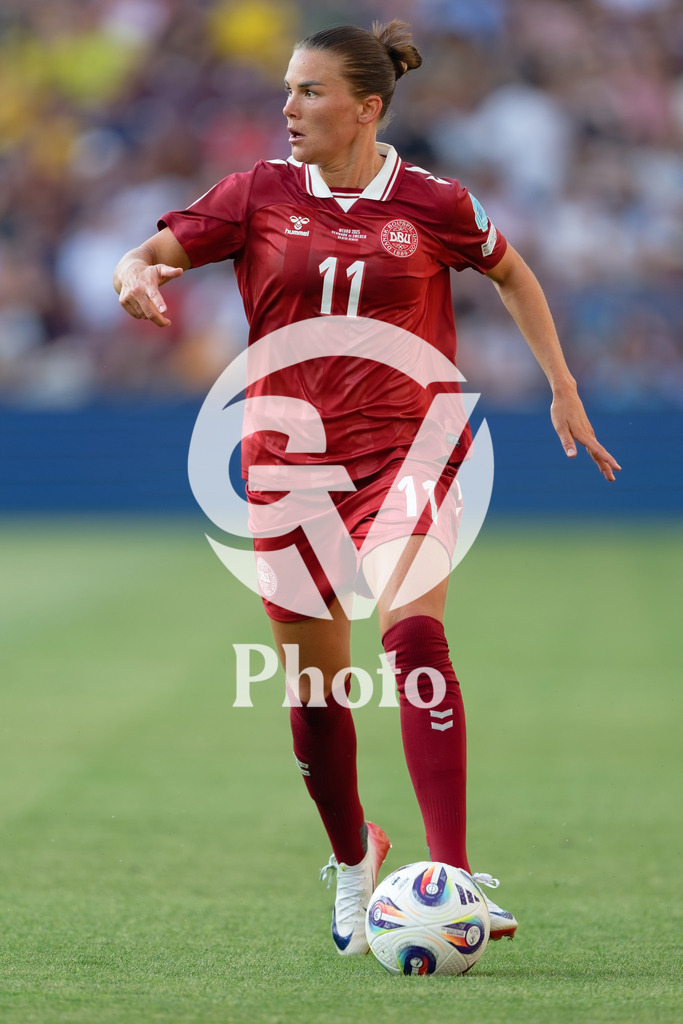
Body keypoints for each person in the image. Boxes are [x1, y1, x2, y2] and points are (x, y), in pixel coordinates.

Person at [114, 20, 621, 958]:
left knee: (415, 634)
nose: (287, 107)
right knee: (317, 689)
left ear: (366, 107)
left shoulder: (431, 201)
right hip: (289, 468)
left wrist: (562, 385)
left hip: (411, 450)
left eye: (308, 91)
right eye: (287, 89)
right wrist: (134, 273)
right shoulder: (257, 194)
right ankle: (355, 860)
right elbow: (147, 254)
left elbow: (511, 272)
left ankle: (452, 873)